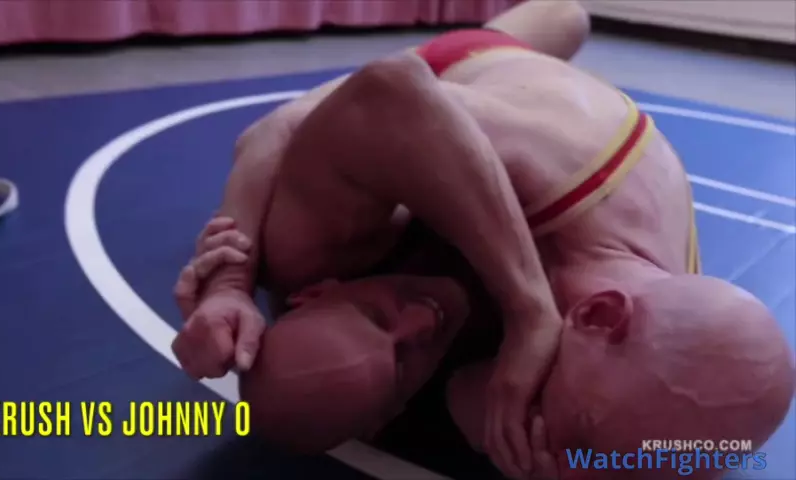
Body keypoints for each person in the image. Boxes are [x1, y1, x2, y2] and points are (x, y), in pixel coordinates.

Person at [170, 2, 796, 478]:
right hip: (484, 80)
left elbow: (686, 448)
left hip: (510, 88)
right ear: (598, 315)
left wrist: (569, 453)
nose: (563, 444)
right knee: (561, 19)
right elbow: (344, 107)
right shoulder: (556, 180)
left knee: (566, 16)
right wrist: (230, 278)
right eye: (580, 438)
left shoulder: (659, 364)